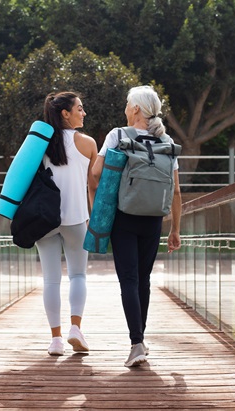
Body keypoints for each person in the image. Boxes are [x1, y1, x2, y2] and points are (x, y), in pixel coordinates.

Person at [91, 85, 182, 367]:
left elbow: (95, 173)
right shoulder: (166, 141)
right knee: (143, 280)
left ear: (135, 109)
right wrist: (175, 229)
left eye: (127, 104)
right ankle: (140, 340)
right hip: (154, 220)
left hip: (125, 217)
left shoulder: (117, 135)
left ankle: (136, 342)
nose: (125, 108)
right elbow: (176, 192)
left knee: (128, 280)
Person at [36, 91, 98, 356]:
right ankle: (76, 328)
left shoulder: (39, 142)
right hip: (75, 217)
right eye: (80, 109)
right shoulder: (88, 143)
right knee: (78, 275)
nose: (83, 113)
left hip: (44, 219)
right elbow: (94, 185)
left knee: (50, 280)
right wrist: (96, 220)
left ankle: (56, 340)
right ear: (66, 113)